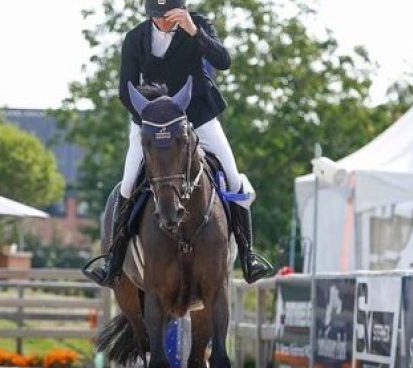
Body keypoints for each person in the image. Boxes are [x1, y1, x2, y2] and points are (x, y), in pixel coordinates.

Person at [82, 0, 273, 287]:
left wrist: (194, 31)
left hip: (197, 116)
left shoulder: (198, 26)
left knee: (234, 178)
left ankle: (248, 256)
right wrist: (151, 120)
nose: (163, 22)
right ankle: (113, 259)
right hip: (152, 122)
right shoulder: (136, 37)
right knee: (127, 182)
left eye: (169, 17)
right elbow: (126, 90)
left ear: (181, 12)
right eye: (157, 17)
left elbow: (223, 61)